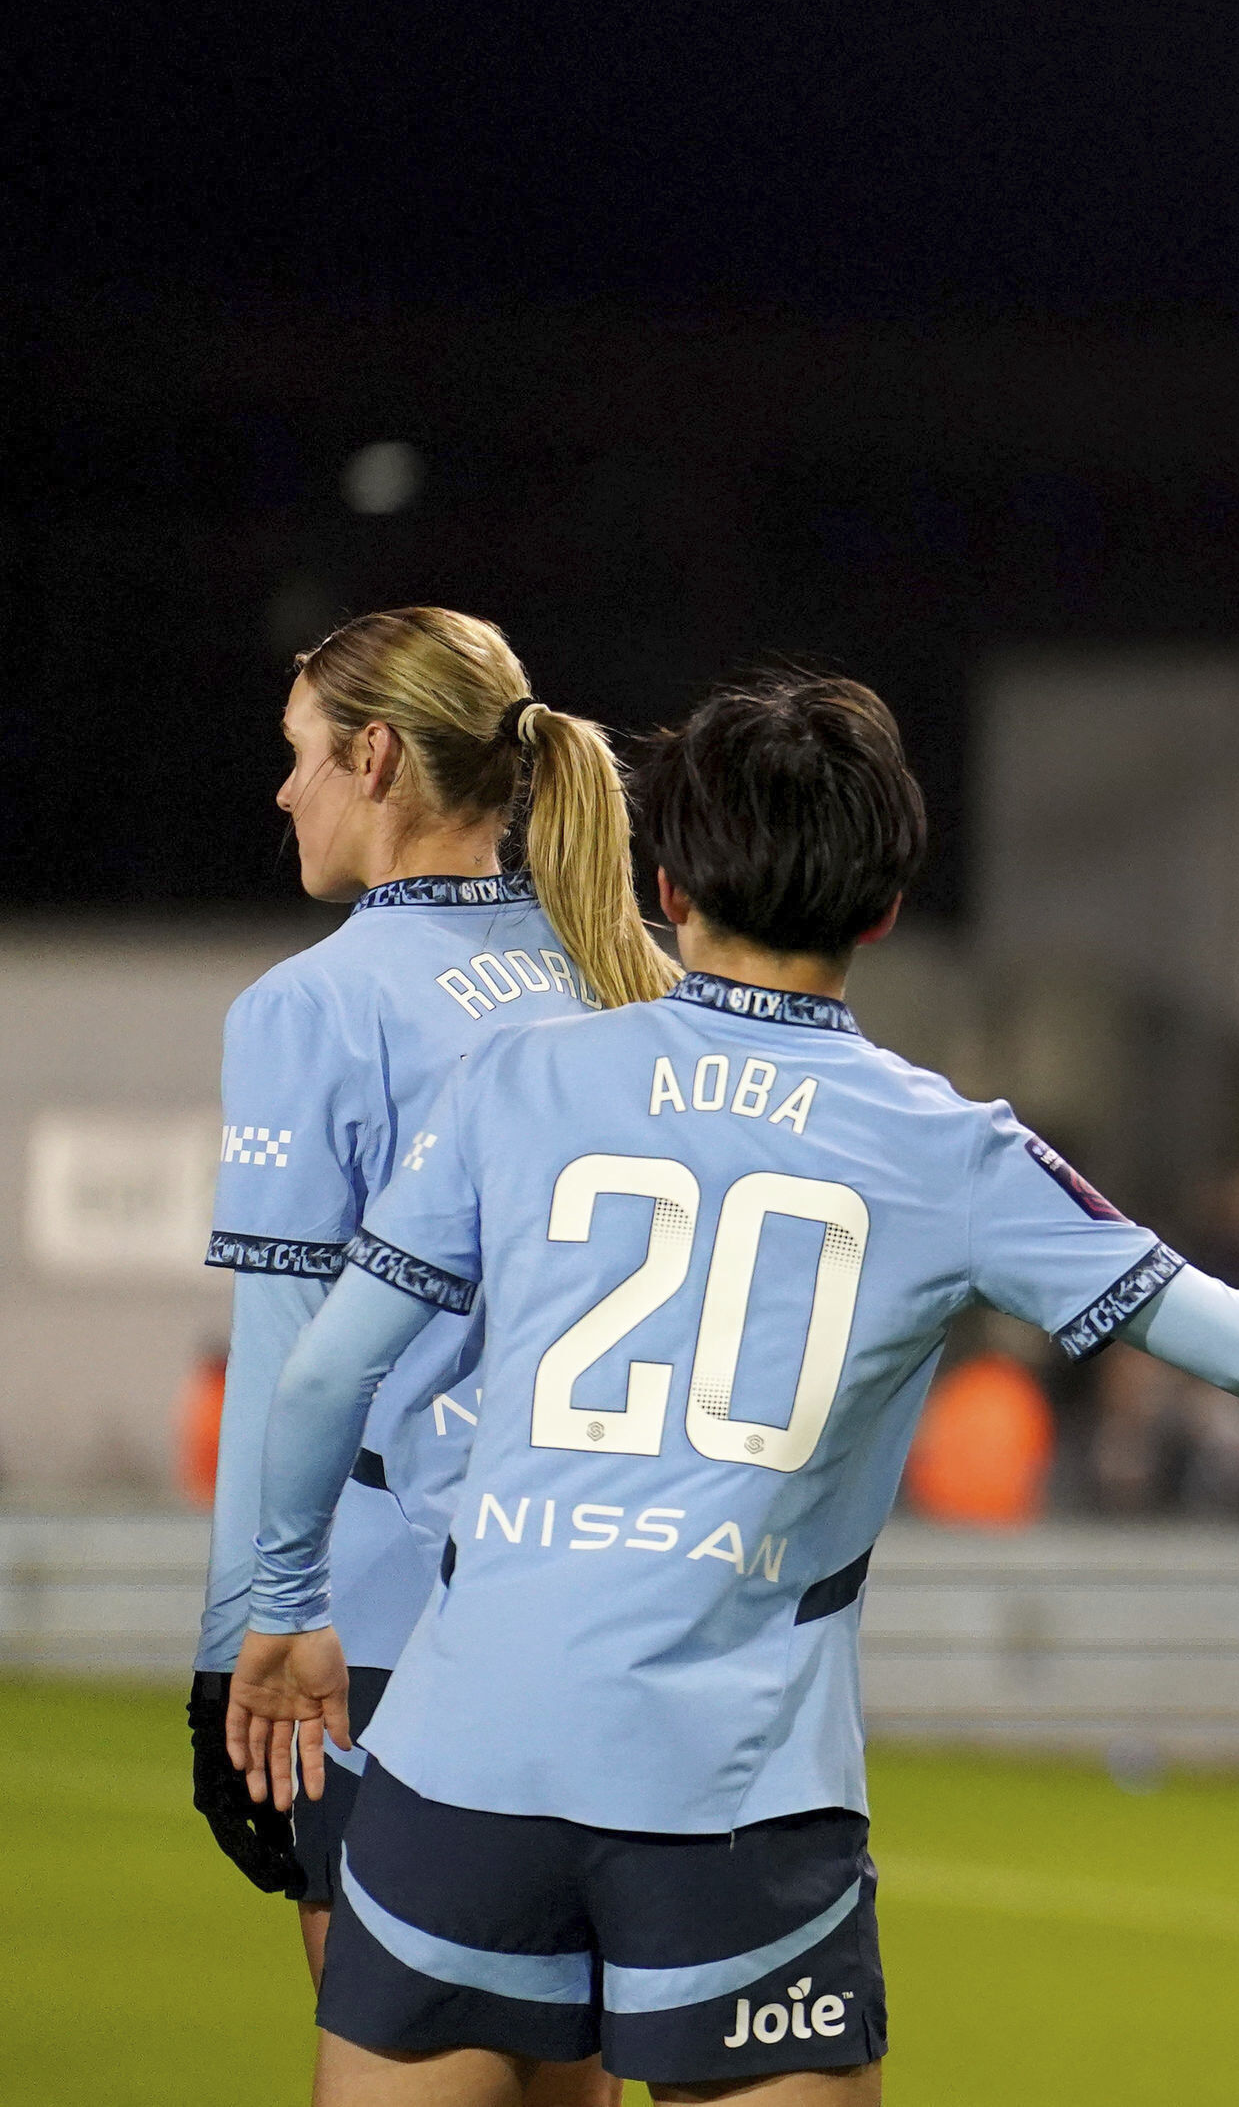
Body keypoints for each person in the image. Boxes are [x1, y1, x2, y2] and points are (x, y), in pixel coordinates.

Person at [229, 671, 1239, 2106]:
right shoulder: (947, 1147)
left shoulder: (523, 1076)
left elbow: (328, 1363)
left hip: (464, 1764)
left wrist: (286, 1602)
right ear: (885, 908)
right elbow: (1232, 1337)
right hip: (734, 1796)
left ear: (668, 882)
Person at [194, 605, 675, 2107]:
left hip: (375, 1642)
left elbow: (296, 1368)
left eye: (300, 758)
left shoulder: (313, 1005)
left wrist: (239, 1652)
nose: (285, 795)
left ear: (378, 755)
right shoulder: (626, 976)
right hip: (601, 1627)